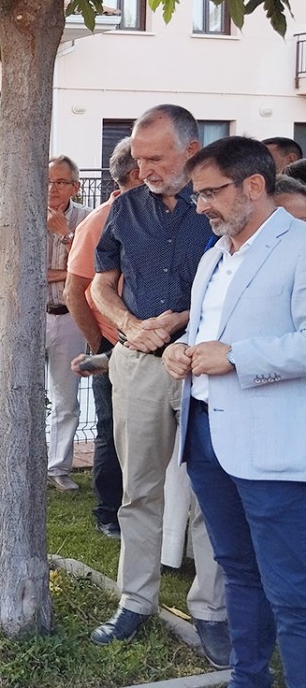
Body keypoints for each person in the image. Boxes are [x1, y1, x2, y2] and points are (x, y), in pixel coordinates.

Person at [164, 135, 306, 688]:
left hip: (273, 450)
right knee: (237, 574)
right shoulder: (213, 257)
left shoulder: (300, 245)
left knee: (291, 590)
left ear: (253, 185)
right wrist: (182, 352)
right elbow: (208, 336)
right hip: (205, 437)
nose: (200, 207)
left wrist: (238, 358)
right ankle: (249, 680)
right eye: (197, 195)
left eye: (209, 193)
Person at [90, 105, 229, 666]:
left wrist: (175, 320)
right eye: (139, 158)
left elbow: (234, 282)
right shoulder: (123, 210)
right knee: (139, 487)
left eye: (155, 157)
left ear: (190, 151)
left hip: (206, 364)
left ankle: (213, 612)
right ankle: (136, 600)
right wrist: (129, 325)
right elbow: (101, 285)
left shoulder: (219, 209)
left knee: (208, 491)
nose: (142, 167)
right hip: (139, 363)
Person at [65, 138, 141, 539]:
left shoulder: (171, 217)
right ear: (138, 173)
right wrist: (100, 347)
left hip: (159, 346)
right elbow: (74, 292)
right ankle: (108, 511)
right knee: (112, 429)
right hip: (115, 345)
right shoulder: (100, 221)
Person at [44, 156, 90, 491]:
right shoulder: (26, 214)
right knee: (24, 394)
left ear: (75, 186)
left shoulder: (87, 219)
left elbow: (90, 269)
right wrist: (67, 274)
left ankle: (58, 467)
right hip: (32, 318)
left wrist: (64, 234)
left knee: (66, 399)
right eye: (47, 181)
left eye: (60, 182)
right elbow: (19, 270)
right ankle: (27, 461)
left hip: (71, 318)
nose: (52, 188)